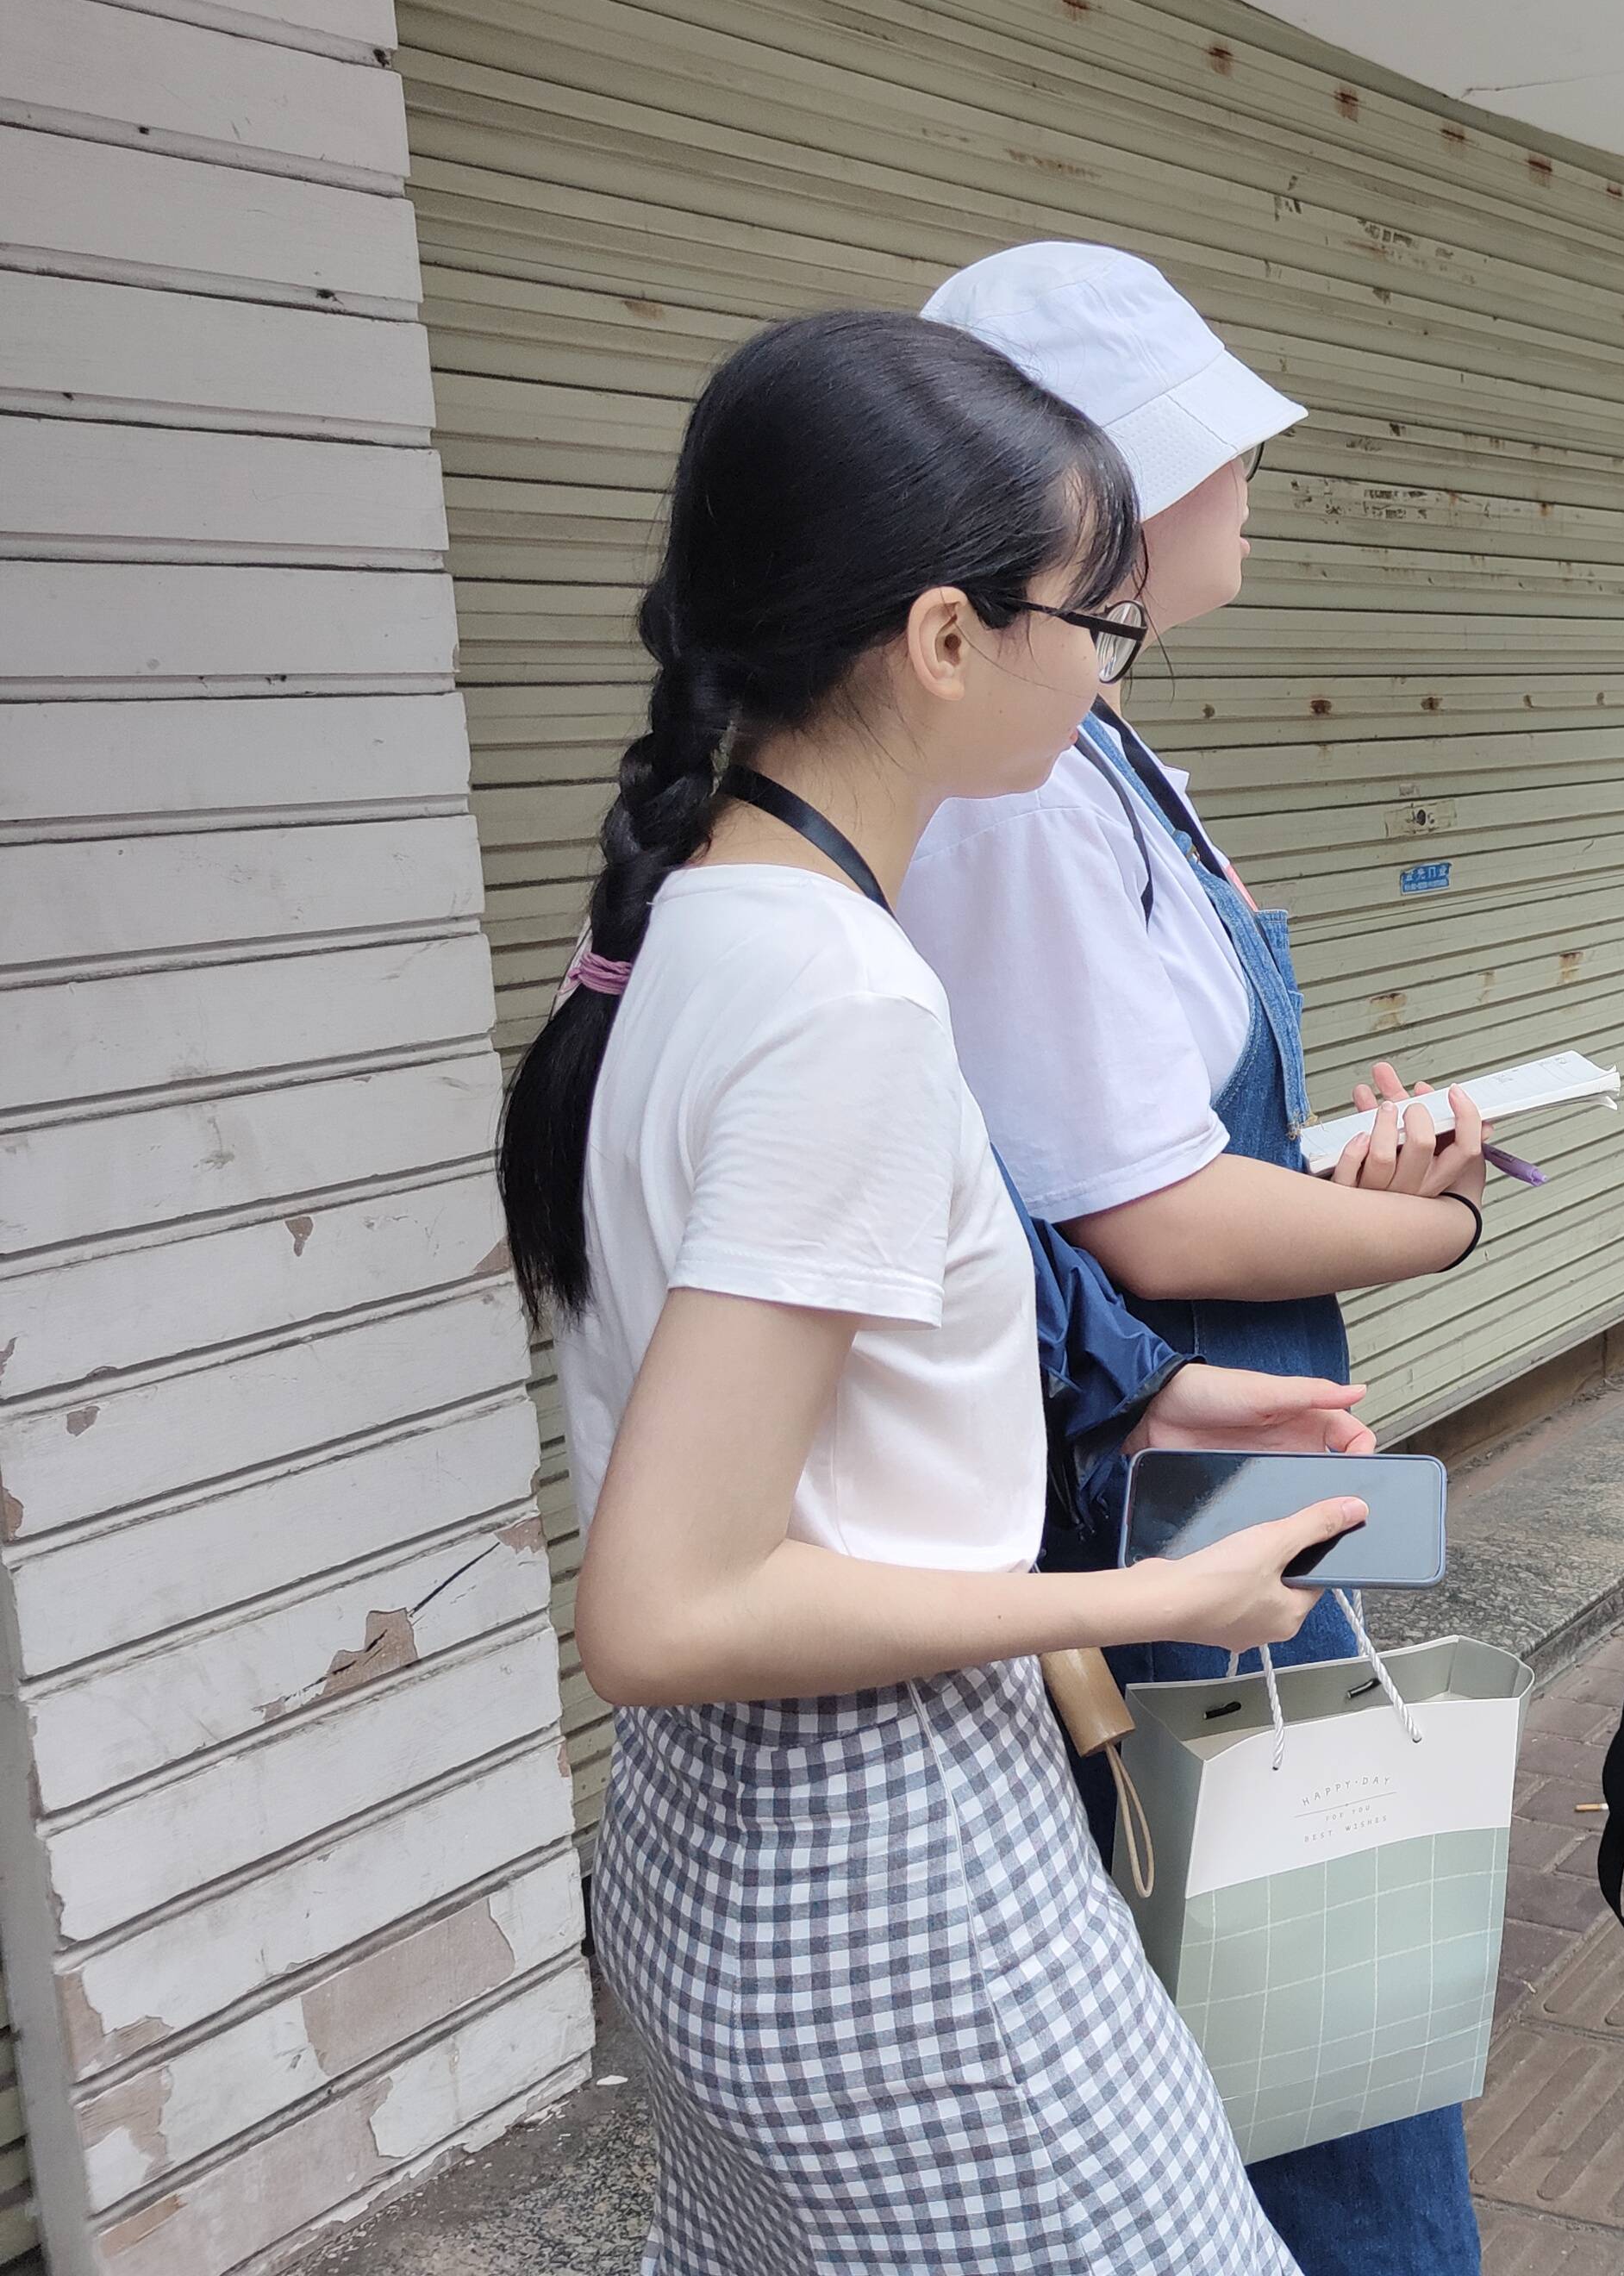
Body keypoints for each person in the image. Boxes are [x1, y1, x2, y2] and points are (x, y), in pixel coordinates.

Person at [499, 309, 1352, 2273]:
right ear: (949, 637)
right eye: (1093, 615)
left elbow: (788, 1402)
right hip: (902, 1863)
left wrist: (1133, 1403)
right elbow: (668, 1598)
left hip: (707, 1860)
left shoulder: (676, 923)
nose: (1111, 663)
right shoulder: (843, 998)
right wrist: (1162, 1593)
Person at [891, 242, 1486, 2275]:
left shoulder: (1105, 737)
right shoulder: (1019, 788)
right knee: (1326, 2028)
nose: (1253, 481)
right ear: (1107, 494)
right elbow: (1138, 1212)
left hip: (1233, 1419)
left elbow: (1141, 1129)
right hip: (1155, 1473)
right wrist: (1434, 1217)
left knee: (1308, 1982)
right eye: (1219, 444)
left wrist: (1358, 1171)